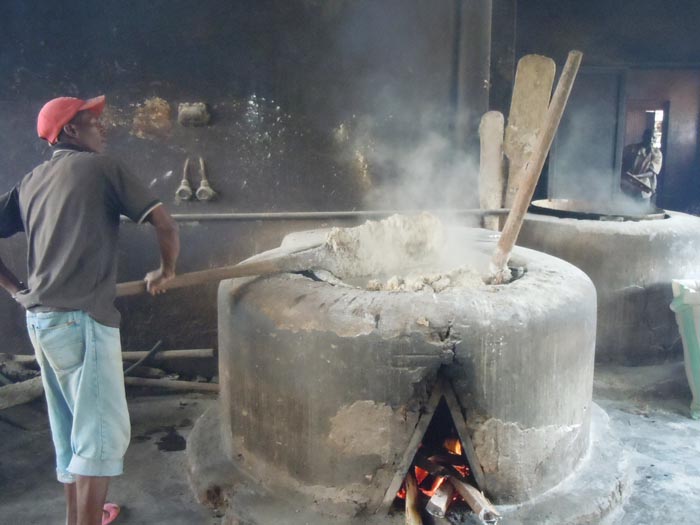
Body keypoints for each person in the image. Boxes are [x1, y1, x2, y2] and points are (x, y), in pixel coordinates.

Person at [0, 95, 180, 525]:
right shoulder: (103, 168)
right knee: (100, 439)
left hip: (40, 319)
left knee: (69, 431)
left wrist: (14, 290)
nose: (102, 128)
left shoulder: (32, 180)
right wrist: (166, 270)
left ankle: (78, 516)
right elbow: (165, 223)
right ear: (69, 132)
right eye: (91, 122)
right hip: (82, 320)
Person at [620, 128, 663, 201]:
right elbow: (622, 163)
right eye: (648, 136)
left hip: (643, 188)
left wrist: (637, 177)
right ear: (643, 137)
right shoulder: (631, 148)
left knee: (642, 208)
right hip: (627, 185)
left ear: (655, 139)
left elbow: (652, 172)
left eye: (653, 137)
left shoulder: (657, 154)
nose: (650, 139)